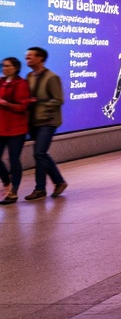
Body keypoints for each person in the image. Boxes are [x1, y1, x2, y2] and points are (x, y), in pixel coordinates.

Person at [23, 47, 66, 200]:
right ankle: (50, 185)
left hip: (48, 121)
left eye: (30, 56)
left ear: (40, 58)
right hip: (34, 121)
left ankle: (48, 185)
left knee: (39, 153)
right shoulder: (29, 76)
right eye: (26, 57)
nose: (27, 59)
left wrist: (40, 103)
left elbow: (59, 100)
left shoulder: (52, 77)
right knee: (40, 155)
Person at [0, 57, 31, 204]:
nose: (4, 68)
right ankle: (6, 182)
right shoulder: (0, 82)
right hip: (1, 127)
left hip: (16, 129)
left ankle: (14, 191)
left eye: (8, 66)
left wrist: (5, 103)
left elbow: (22, 107)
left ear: (16, 68)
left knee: (13, 160)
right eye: (3, 66)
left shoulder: (21, 84)